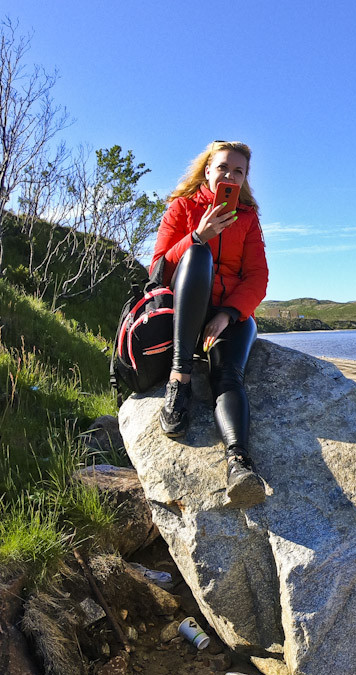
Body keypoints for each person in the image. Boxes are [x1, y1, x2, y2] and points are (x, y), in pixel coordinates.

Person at [150, 140, 268, 507]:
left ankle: (239, 463)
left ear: (245, 178)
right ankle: (179, 380)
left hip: (229, 313)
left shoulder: (246, 218)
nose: (230, 176)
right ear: (207, 170)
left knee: (228, 374)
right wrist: (197, 236)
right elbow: (157, 272)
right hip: (186, 306)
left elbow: (257, 277)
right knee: (198, 254)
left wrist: (228, 314)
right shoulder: (182, 208)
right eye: (223, 168)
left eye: (239, 171)